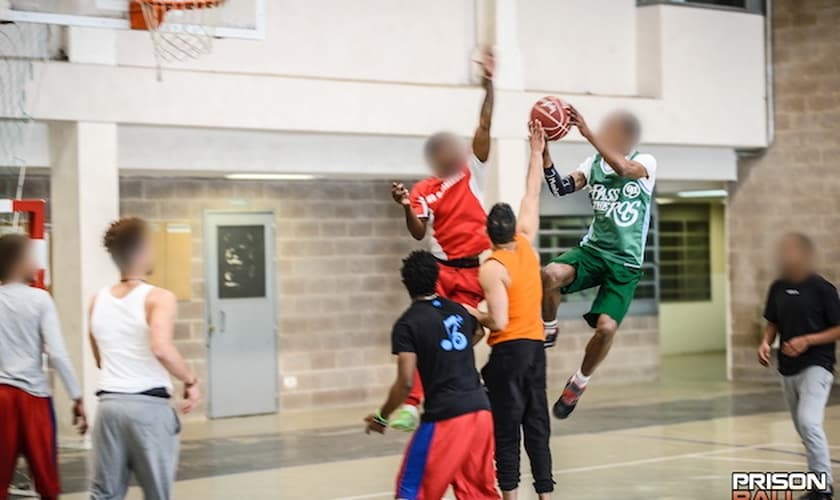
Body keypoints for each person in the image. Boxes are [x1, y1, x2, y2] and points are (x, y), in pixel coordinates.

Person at [388, 48, 495, 431]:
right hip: (440, 271)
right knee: (429, 331)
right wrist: (404, 204)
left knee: (470, 330)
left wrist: (489, 83)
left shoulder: (473, 170)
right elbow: (417, 231)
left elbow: (484, 123)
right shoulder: (424, 190)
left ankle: (454, 388)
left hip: (471, 272)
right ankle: (412, 404)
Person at [540, 106, 657, 419]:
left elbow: (621, 168)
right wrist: (544, 153)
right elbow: (559, 187)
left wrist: (587, 133)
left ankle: (579, 382)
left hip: (625, 264)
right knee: (550, 274)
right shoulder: (591, 164)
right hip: (594, 251)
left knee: (606, 328)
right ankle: (549, 328)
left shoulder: (645, 162)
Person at [364, 250, 498, 500]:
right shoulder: (458, 310)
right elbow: (478, 333)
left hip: (447, 418)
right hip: (481, 411)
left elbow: (405, 383)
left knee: (412, 490)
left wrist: (382, 417)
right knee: (478, 492)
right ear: (437, 279)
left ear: (406, 284)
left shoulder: (408, 323)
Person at [466, 121, 553, 499]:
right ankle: (546, 495)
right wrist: (535, 152)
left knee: (507, 429)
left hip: (509, 353)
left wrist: (474, 314)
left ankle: (511, 496)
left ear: (489, 233)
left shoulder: (492, 266)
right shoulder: (527, 244)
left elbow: (498, 320)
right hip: (536, 349)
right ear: (513, 227)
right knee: (537, 426)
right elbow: (532, 194)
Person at [89, 217, 201, 500]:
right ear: (140, 252)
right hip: (148, 409)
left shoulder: (96, 301)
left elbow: (101, 360)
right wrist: (190, 379)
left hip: (109, 407)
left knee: (104, 494)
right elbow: (161, 348)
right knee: (156, 494)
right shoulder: (159, 298)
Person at [0, 233, 87, 500]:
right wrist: (77, 396)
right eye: (31, 256)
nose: (35, 262)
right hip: (33, 399)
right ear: (19, 262)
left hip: (1, 397)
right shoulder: (40, 300)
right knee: (47, 481)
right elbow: (58, 354)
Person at [758, 233, 840, 500]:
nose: (786, 256)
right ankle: (817, 483)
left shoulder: (823, 289)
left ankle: (823, 489)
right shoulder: (778, 287)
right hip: (787, 368)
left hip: (818, 365)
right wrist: (764, 343)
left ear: (805, 255)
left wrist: (807, 340)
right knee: (802, 428)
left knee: (809, 421)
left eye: (792, 250)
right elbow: (772, 321)